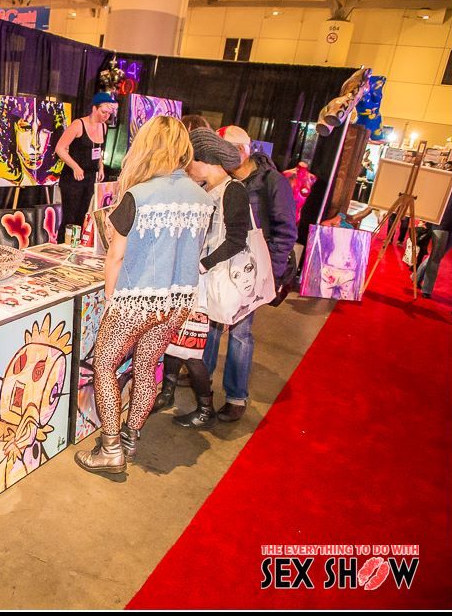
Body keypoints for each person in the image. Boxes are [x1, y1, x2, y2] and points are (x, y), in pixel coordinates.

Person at [75, 116, 213, 475]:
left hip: (135, 301)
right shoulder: (202, 197)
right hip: (178, 301)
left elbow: (116, 257)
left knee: (104, 365)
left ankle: (110, 448)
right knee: (147, 366)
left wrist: (110, 300)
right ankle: (130, 438)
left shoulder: (139, 195)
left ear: (147, 147)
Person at [155, 128, 249, 429]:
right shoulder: (209, 189)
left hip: (207, 282)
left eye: (191, 161)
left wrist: (202, 264)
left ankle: (204, 408)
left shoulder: (233, 190)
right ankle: (167, 393)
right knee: (174, 339)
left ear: (206, 161)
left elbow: (237, 239)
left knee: (191, 349)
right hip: (192, 279)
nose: (188, 168)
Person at [201, 125, 297, 422]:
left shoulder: (272, 182)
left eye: (227, 150)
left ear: (243, 150)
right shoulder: (221, 179)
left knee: (240, 333)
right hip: (219, 263)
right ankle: (202, 383)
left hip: (250, 269)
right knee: (211, 325)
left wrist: (270, 275)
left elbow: (285, 231)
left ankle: (235, 396)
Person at [55, 92, 118, 229]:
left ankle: (76, 241)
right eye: (103, 112)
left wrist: (101, 166)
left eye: (109, 114)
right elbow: (60, 148)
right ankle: (63, 241)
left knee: (81, 216)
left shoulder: (103, 127)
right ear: (94, 108)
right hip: (73, 178)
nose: (106, 116)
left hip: (89, 177)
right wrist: (75, 166)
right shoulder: (78, 124)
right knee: (69, 218)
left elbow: (97, 150)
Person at [0, 96, 67, 187]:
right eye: (26, 128)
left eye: (45, 130)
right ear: (11, 131)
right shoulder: (0, 182)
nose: (35, 144)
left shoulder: (60, 182)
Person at [416, 191, 452, 299]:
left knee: (436, 256)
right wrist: (424, 220)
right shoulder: (450, 184)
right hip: (441, 225)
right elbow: (434, 199)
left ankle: (416, 277)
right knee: (436, 258)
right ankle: (427, 289)